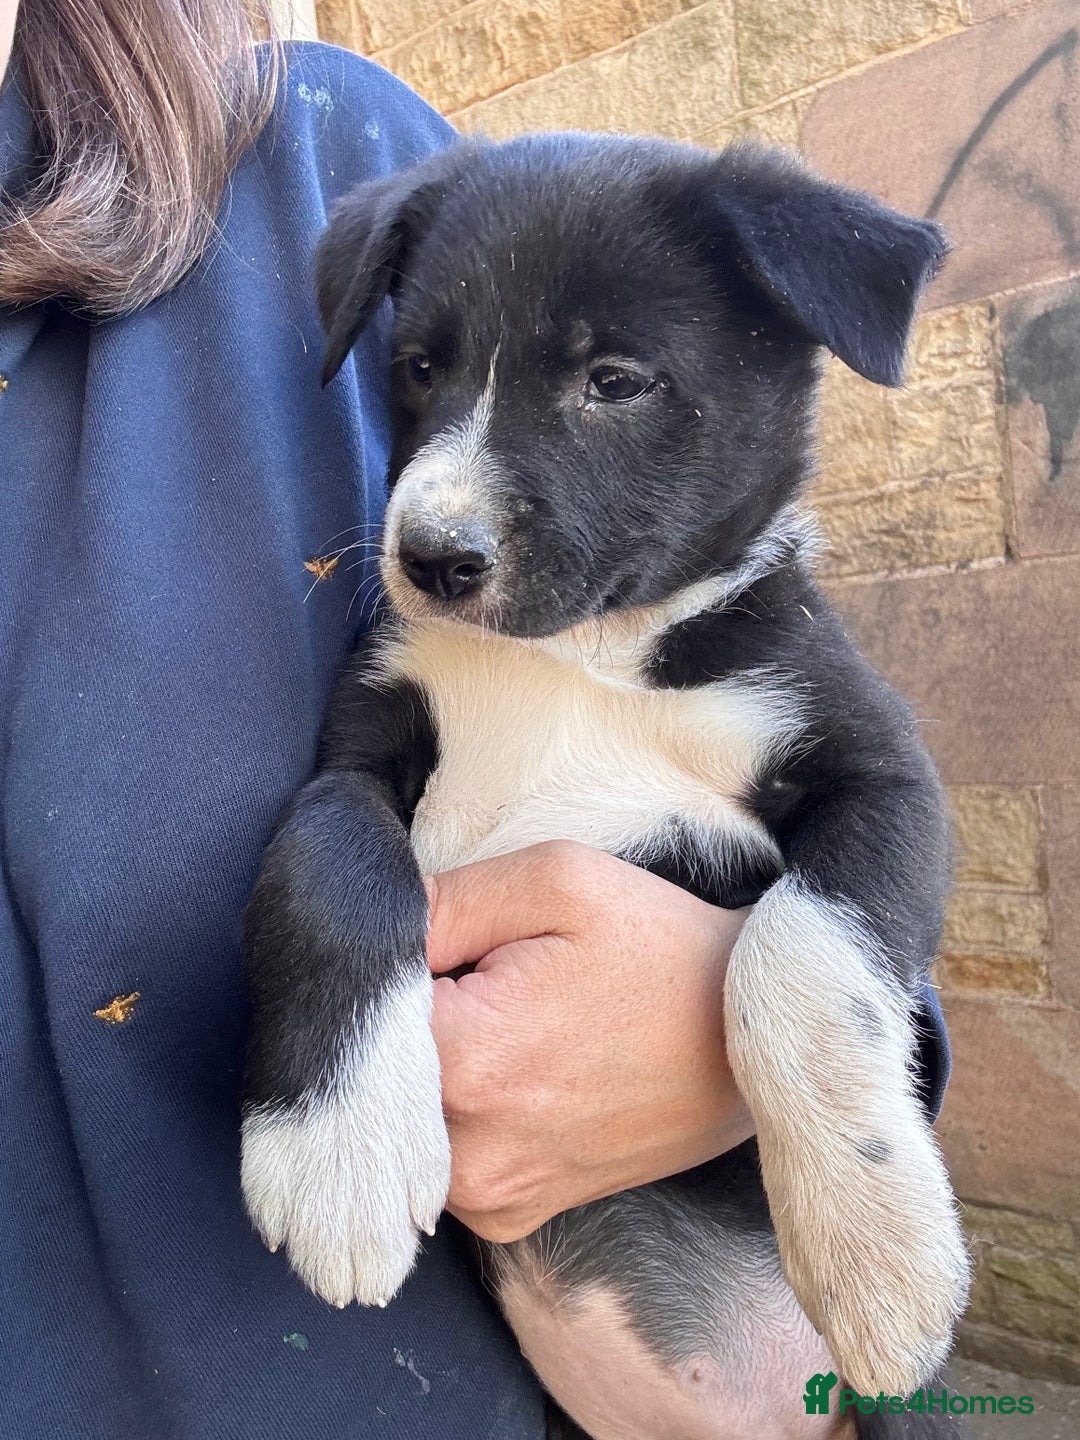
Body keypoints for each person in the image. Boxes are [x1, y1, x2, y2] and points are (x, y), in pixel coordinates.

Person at [0, 4, 951, 1437]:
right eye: (425, 374)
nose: (439, 505)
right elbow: (343, 813)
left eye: (610, 383)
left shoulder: (304, 143)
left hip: (786, 1336)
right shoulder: (418, 661)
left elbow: (883, 820)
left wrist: (796, 1048)